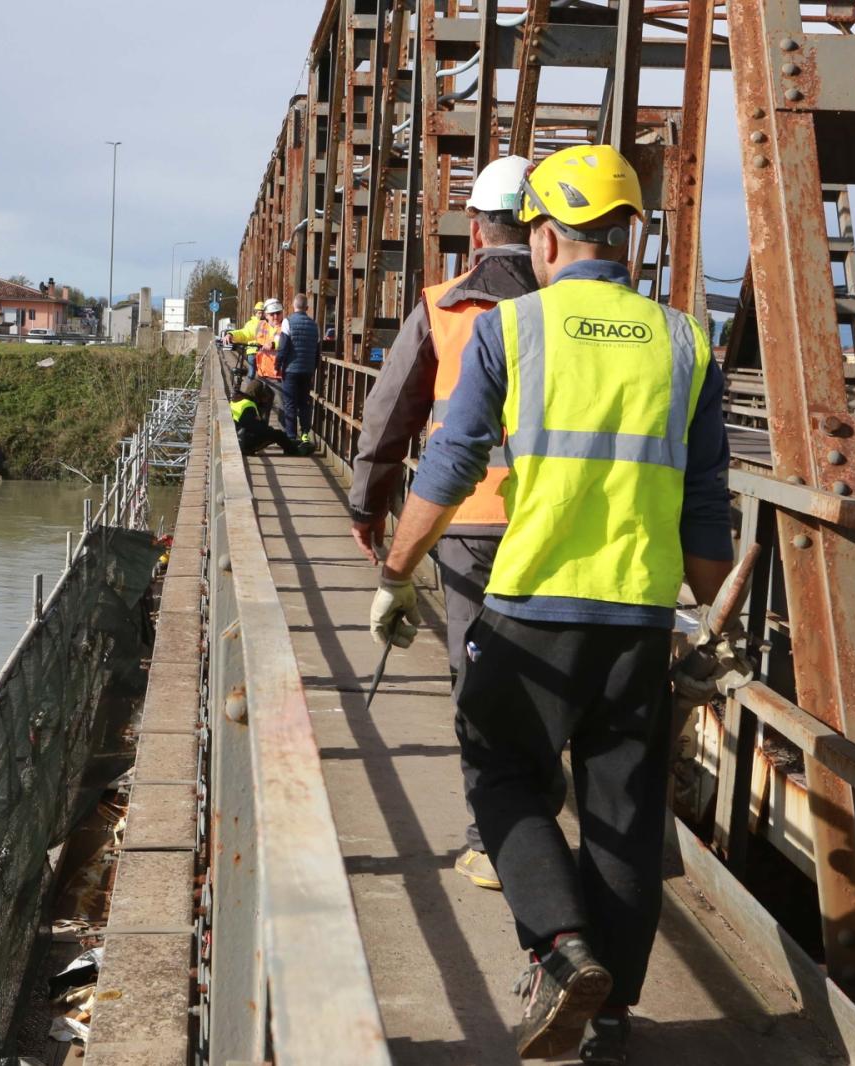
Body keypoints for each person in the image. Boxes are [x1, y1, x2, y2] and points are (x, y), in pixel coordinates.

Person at [365, 144, 734, 1063]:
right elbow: (704, 511)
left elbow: (450, 465)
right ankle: (609, 1021)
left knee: (499, 771)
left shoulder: (511, 331)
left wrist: (397, 573)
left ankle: (562, 951)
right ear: (627, 238)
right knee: (626, 811)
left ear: (545, 238)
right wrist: (711, 621)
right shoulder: (689, 343)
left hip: (530, 608)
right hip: (640, 621)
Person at [347, 154, 541, 893]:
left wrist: (370, 508)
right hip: (562, 522)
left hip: (466, 523)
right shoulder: (564, 306)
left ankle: (489, 839)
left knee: (479, 675)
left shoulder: (445, 305)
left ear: (474, 226)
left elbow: (388, 415)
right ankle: (546, 831)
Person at [274, 293, 319, 448]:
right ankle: (305, 434)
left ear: (294, 306)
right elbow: (317, 352)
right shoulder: (314, 325)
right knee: (304, 403)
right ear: (307, 308)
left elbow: (283, 347)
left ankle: (292, 437)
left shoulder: (288, 322)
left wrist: (277, 364)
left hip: (291, 370)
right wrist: (313, 369)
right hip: (307, 370)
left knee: (290, 403)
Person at [231, 377, 297, 456]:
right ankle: (294, 451)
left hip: (235, 439)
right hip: (242, 443)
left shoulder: (237, 401)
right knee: (278, 434)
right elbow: (256, 427)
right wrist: (269, 430)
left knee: (272, 432)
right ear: (258, 394)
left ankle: (290, 446)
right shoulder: (248, 405)